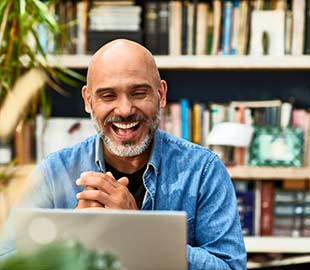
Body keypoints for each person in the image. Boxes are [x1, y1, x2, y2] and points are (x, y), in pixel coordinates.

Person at [0, 39, 246, 269]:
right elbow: (8, 261)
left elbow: (231, 267)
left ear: (161, 94)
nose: (125, 110)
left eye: (139, 93)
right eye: (108, 96)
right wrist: (69, 236)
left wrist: (138, 231)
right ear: (88, 100)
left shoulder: (203, 170)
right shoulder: (54, 171)